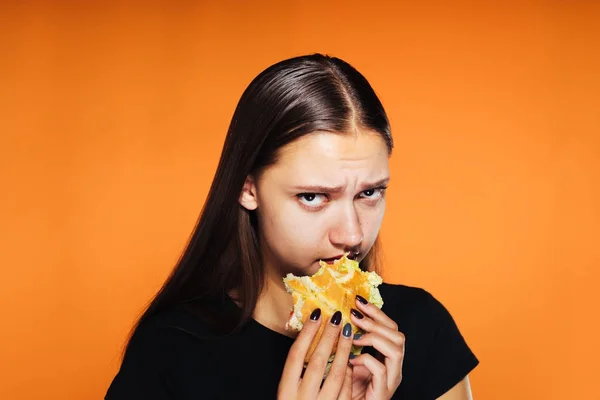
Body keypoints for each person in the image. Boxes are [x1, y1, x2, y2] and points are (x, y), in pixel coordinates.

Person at [105, 54, 479, 399]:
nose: (351, 235)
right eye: (313, 197)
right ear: (247, 188)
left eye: (370, 192)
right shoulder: (170, 350)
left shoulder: (422, 329)